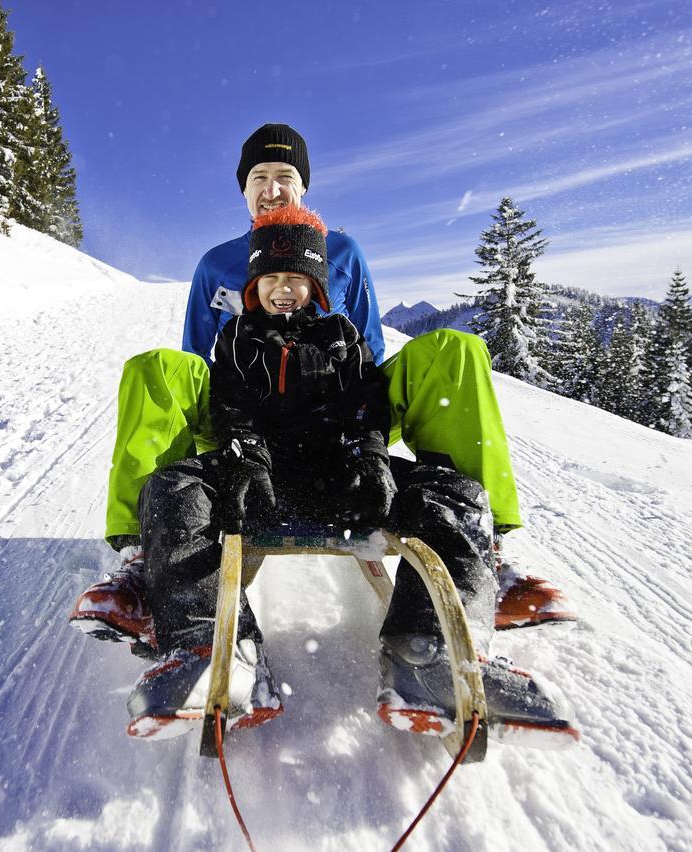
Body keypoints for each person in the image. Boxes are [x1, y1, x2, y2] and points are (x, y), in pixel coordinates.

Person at [69, 123, 571, 653]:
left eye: (284, 176)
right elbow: (195, 363)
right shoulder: (216, 264)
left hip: (342, 412)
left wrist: (364, 442)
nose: (271, 188)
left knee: (454, 350)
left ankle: (481, 552)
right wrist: (236, 448)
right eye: (258, 177)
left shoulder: (343, 252)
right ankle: (143, 565)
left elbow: (367, 355)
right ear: (243, 189)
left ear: (302, 186)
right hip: (245, 418)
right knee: (158, 368)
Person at [123, 207, 575, 741]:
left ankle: (426, 654)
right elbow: (229, 406)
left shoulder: (341, 334)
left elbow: (365, 404)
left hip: (337, 478)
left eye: (296, 279)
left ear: (316, 284)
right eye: (271, 278)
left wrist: (370, 458)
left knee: (452, 492)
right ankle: (210, 648)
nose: (283, 289)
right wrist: (246, 457)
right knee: (174, 488)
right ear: (253, 286)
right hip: (256, 481)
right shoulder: (237, 338)